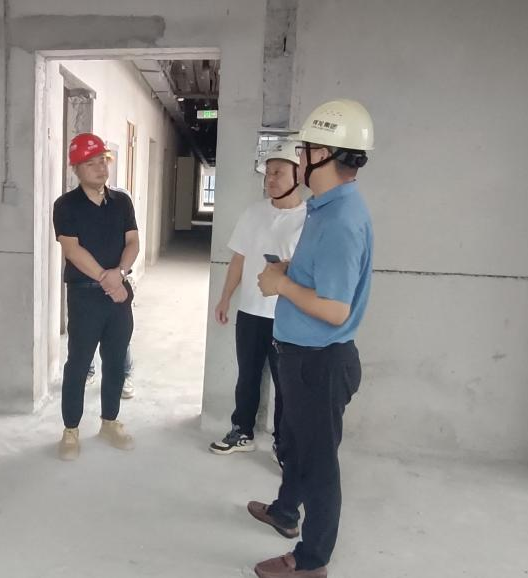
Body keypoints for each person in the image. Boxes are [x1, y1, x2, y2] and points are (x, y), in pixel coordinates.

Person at [246, 99, 376, 578]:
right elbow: (323, 278)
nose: (298, 160)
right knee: (297, 446)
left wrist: (281, 285)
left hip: (319, 363)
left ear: (323, 154)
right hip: (303, 356)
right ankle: (285, 511)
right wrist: (289, 271)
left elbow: (336, 309)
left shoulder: (340, 221)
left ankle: (311, 561)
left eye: (303, 151)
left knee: (319, 464)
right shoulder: (326, 208)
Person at [210, 142, 306, 460]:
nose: (271, 179)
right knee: (247, 376)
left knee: (286, 384)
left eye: (278, 172)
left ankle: (283, 443)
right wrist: (225, 297)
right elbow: (239, 258)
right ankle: (242, 431)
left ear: (298, 175)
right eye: (268, 173)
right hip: (250, 311)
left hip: (287, 314)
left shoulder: (309, 219)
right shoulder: (253, 213)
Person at [52, 133, 138, 461]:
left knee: (115, 362)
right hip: (85, 297)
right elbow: (72, 251)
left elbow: (133, 242)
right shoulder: (66, 205)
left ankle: (109, 422)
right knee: (79, 363)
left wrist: (121, 274)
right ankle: (70, 430)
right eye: (91, 163)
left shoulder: (122, 202)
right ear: (76, 168)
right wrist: (108, 279)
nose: (101, 168)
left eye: (103, 160)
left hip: (119, 296)